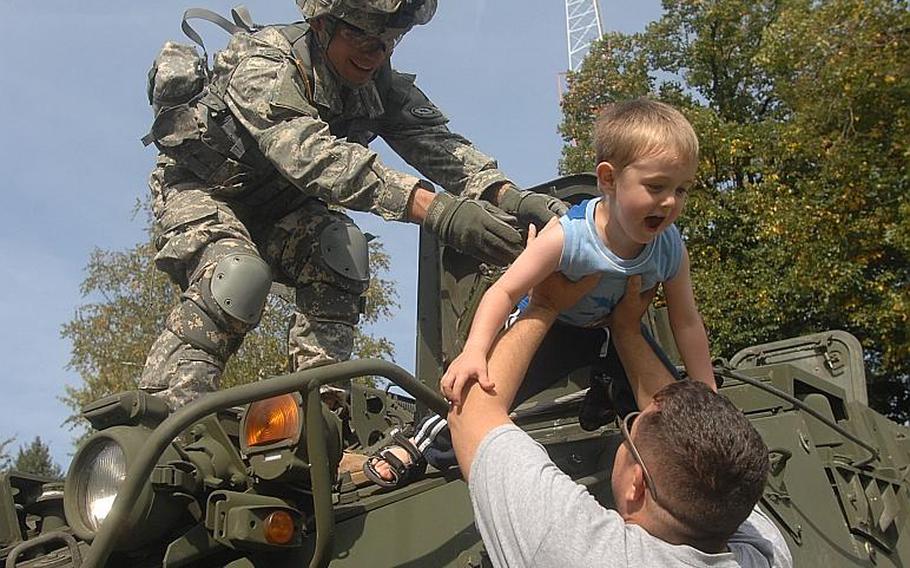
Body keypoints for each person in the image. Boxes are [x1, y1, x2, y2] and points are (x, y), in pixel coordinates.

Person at [137, 0, 567, 408]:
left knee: (340, 250)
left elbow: (440, 148)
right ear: (323, 25)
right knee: (235, 278)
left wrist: (507, 195)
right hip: (202, 193)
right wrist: (439, 211)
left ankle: (320, 407)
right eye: (363, 38)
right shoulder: (263, 64)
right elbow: (314, 158)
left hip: (280, 208)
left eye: (388, 41)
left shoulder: (377, 88)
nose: (375, 53)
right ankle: (165, 415)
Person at [447, 272, 792, 567]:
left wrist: (544, 304)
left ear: (636, 485)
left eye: (629, 427)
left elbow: (472, 413)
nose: (628, 426)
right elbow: (689, 434)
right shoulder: (766, 553)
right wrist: (626, 329)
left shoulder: (579, 551)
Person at [442, 98, 714, 408]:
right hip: (552, 324)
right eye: (656, 187)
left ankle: (608, 397)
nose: (669, 202)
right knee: (481, 394)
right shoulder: (568, 237)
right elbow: (504, 291)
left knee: (671, 412)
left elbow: (687, 321)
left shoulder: (670, 247)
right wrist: (475, 350)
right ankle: (424, 445)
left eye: (681, 190)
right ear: (609, 179)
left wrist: (707, 389)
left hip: (616, 329)